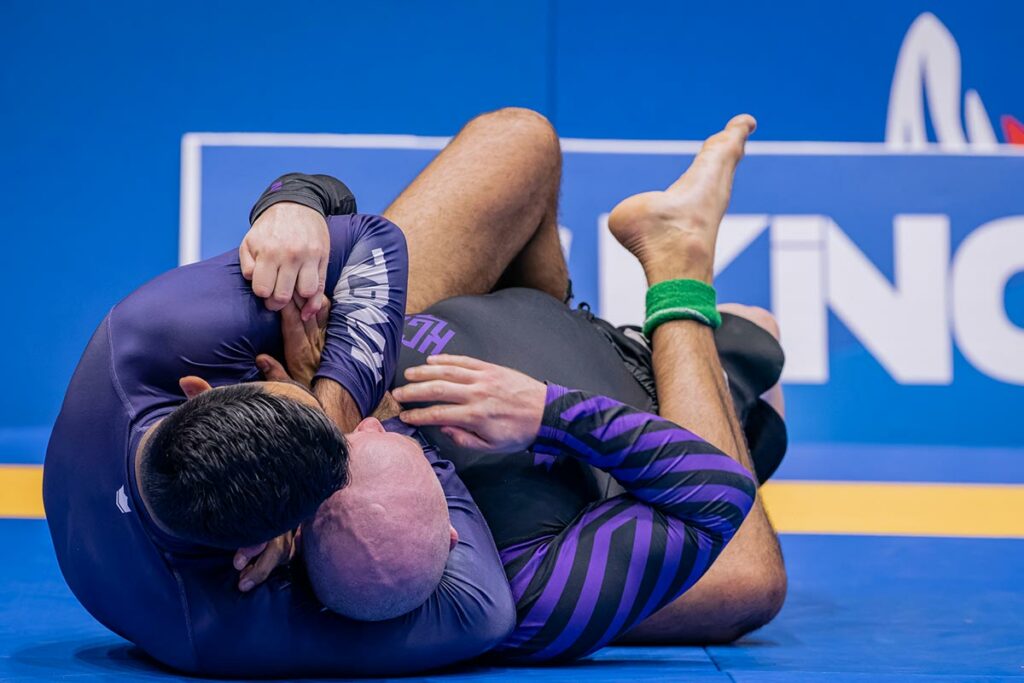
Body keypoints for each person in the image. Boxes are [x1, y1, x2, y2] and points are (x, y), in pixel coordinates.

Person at [247, 110, 786, 658]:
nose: (376, 422)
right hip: (632, 428)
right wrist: (547, 414)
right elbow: (720, 498)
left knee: (519, 136)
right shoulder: (514, 588)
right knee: (742, 572)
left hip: (534, 320)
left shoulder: (296, 394)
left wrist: (293, 204)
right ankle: (680, 260)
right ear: (453, 540)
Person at [42, 178, 515, 676]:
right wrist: (383, 434)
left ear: (200, 390)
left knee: (518, 142)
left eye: (289, 389)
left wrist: (294, 203)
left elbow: (373, 239)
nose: (352, 431)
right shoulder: (215, 625)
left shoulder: (150, 336)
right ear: (262, 544)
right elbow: (481, 609)